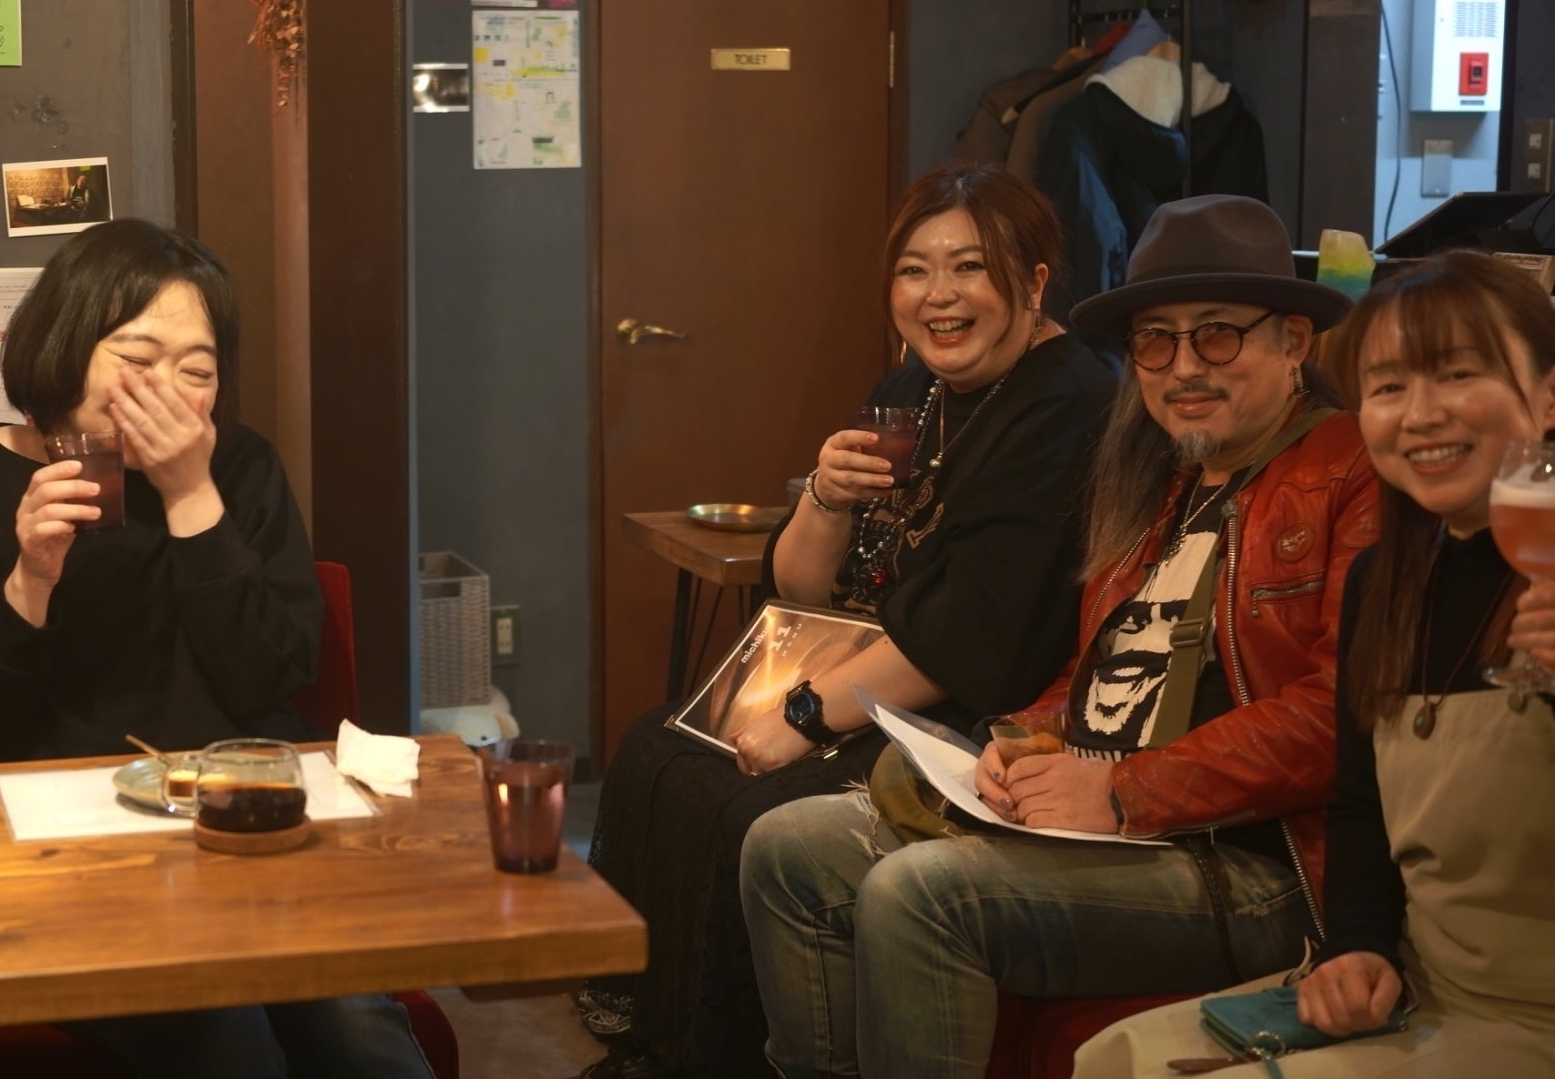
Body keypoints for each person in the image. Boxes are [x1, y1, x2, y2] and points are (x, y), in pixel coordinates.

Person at [741, 193, 1380, 1079]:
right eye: (1155, 341)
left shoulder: (1349, 471)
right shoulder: (1162, 476)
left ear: (1294, 341)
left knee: (922, 894)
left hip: (1255, 861)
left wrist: (1124, 790)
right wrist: (1020, 740)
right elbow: (1100, 669)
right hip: (1117, 832)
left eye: (1218, 335)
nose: (1183, 367)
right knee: (788, 849)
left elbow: (1337, 713)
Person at [577, 163, 1117, 1079]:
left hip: (965, 711)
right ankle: (655, 1041)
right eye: (913, 270)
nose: (938, 295)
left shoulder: (1065, 404)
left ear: (1033, 283)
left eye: (970, 267)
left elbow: (972, 637)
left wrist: (802, 717)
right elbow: (798, 588)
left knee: (748, 806)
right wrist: (826, 496)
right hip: (870, 673)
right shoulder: (916, 387)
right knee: (655, 749)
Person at [0, 218, 433, 1078]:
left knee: (358, 1032)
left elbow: (277, 677)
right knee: (229, 1044)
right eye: (137, 358)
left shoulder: (240, 470)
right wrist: (28, 584)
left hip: (240, 837)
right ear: (64, 346)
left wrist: (192, 495)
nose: (166, 390)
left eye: (196, 371)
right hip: (54, 861)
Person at [1073, 252, 1555, 1075]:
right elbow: (1361, 809)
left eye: (1459, 374)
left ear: (1546, 396)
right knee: (1113, 1058)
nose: (1421, 414)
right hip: (1418, 987)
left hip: (1533, 1015)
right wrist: (1358, 947)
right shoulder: (1386, 580)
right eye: (1389, 386)